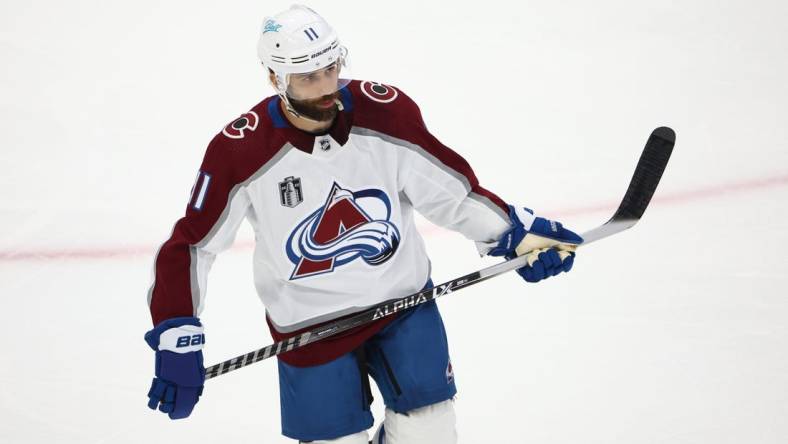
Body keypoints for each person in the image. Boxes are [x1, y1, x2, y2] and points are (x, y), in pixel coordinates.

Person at [144, 5, 582, 443]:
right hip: (309, 328)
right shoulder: (240, 150)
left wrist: (514, 235)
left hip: (403, 306)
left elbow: (452, 193)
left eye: (330, 68)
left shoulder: (384, 113)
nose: (326, 88)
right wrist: (176, 330)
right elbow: (192, 245)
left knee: (430, 432)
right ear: (275, 79)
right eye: (308, 77)